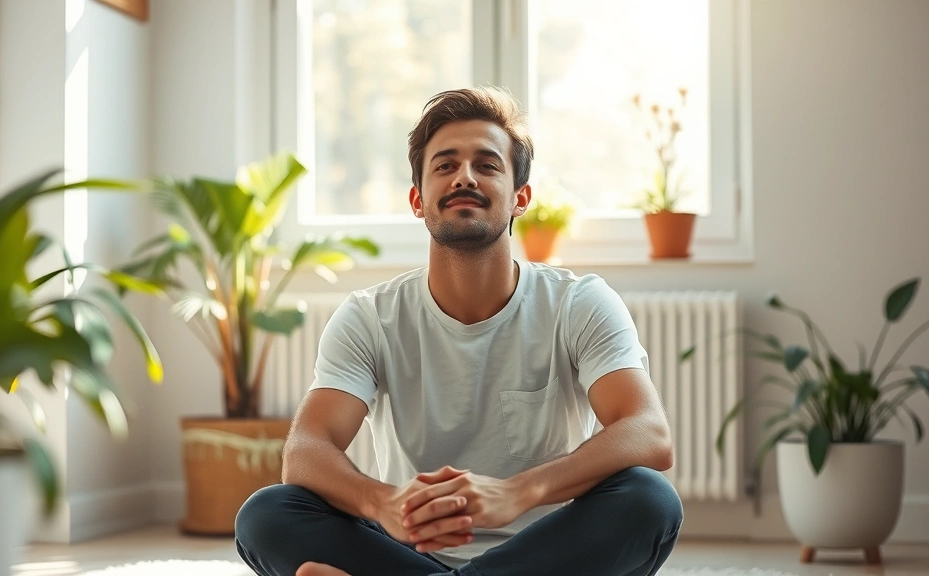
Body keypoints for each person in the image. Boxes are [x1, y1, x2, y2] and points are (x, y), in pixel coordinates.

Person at [235, 87, 683, 576]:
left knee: (648, 498)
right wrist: (384, 503)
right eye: (445, 165)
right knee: (268, 514)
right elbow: (307, 449)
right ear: (417, 199)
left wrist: (517, 492)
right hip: (406, 552)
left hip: (549, 551)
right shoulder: (369, 316)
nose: (464, 177)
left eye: (487, 165)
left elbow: (648, 432)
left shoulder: (579, 302)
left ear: (520, 198)